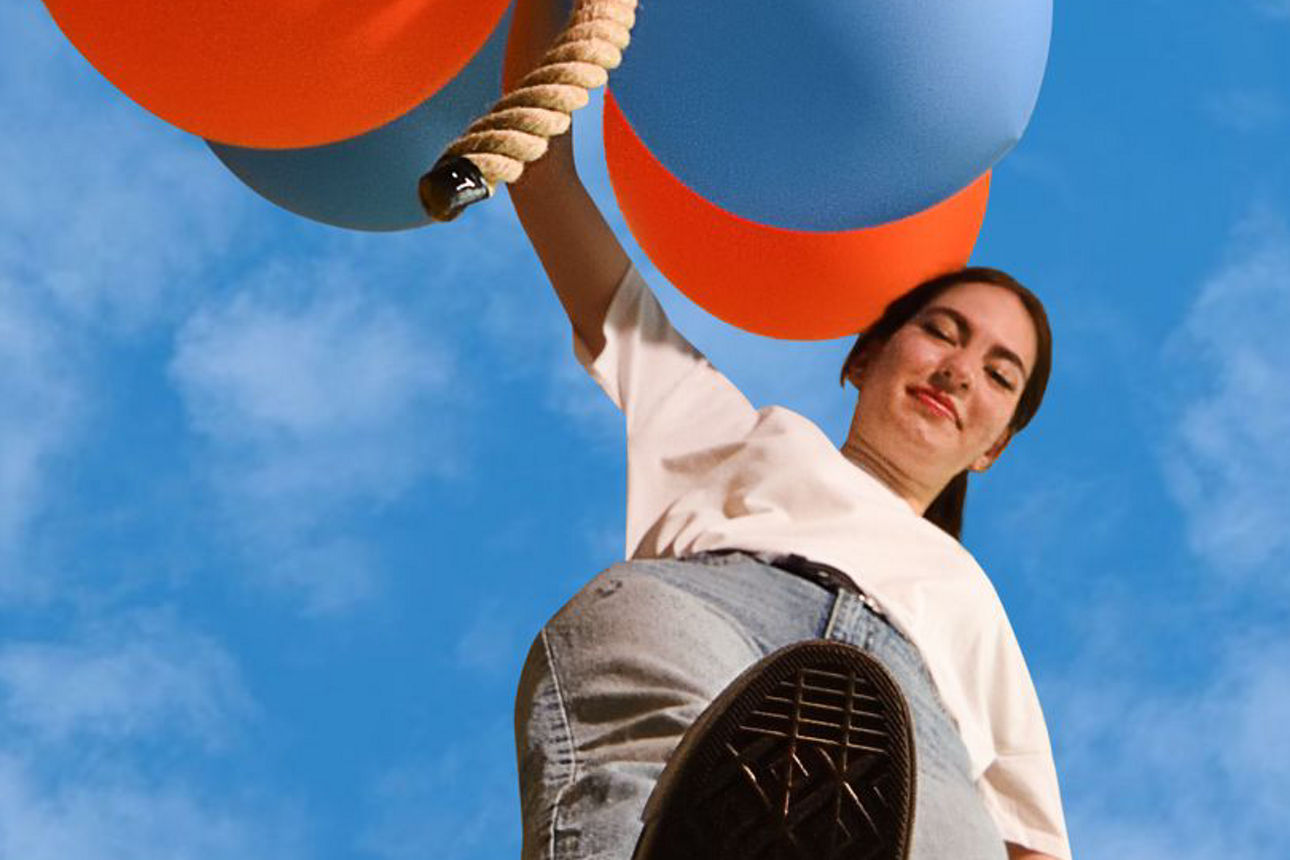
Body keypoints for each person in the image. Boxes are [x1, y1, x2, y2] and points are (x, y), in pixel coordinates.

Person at [503, 2, 1072, 859]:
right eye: (943, 332)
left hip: (921, 734)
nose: (960, 370)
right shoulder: (737, 435)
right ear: (865, 358)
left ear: (993, 447)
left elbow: (1034, 844)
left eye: (1000, 374)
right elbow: (540, 177)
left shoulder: (973, 604)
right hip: (708, 626)